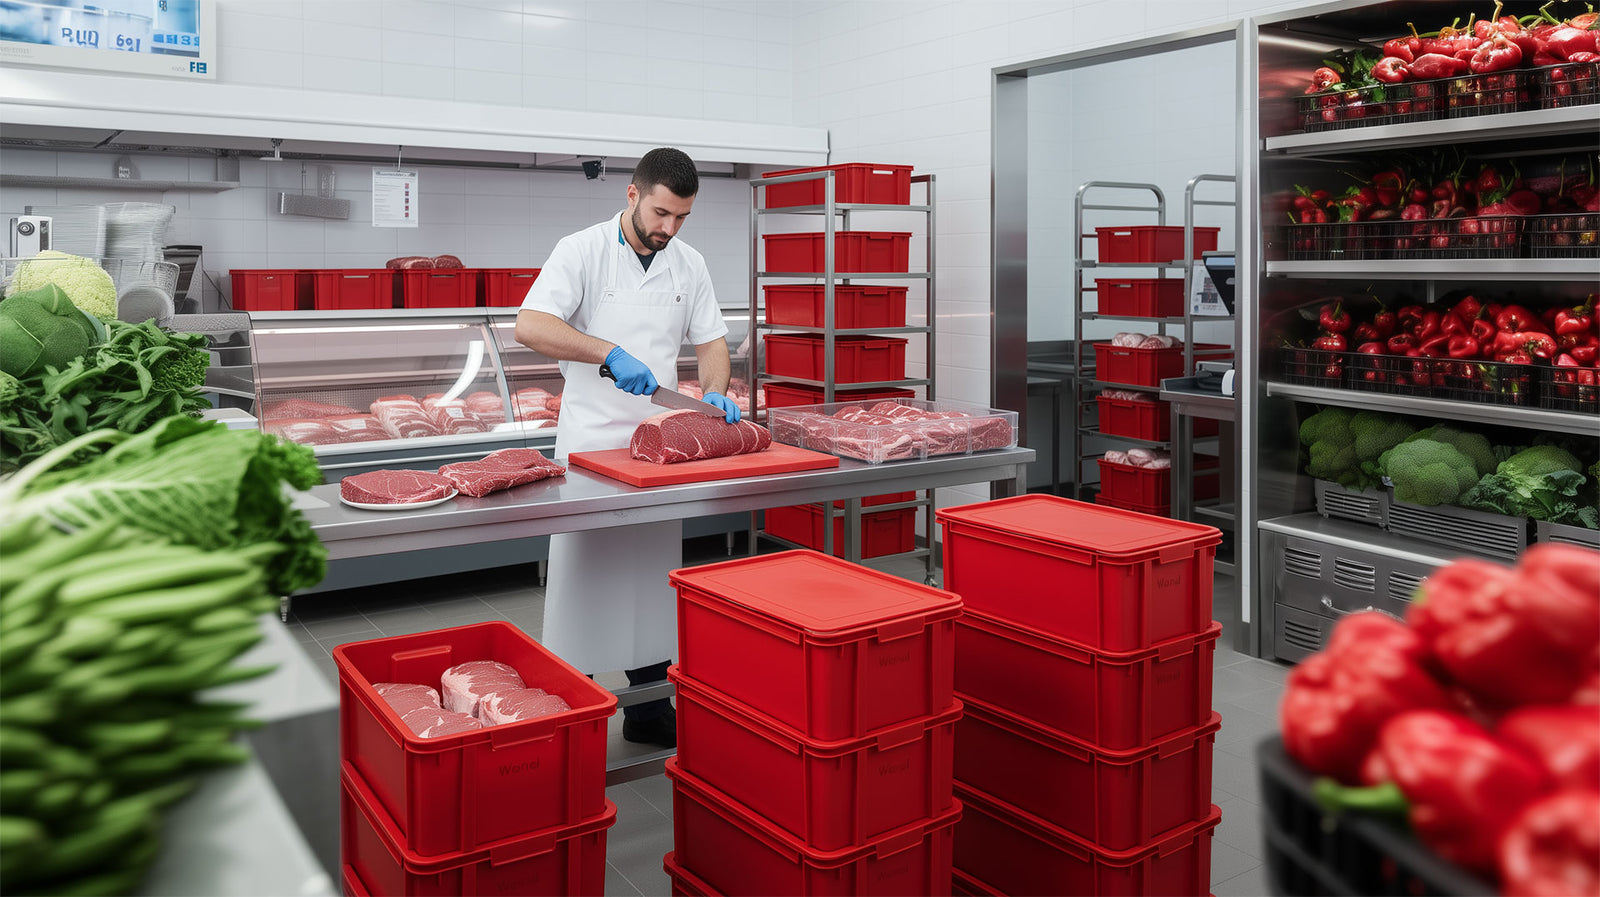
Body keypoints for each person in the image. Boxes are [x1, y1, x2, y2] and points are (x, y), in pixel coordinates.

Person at [514, 147, 740, 748]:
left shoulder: (687, 263)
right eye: (662, 213)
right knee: (584, 580)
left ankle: (647, 709)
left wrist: (714, 394)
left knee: (651, 574)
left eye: (682, 218)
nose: (669, 229)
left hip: (660, 446)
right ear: (633, 195)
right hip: (590, 445)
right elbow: (530, 324)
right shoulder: (581, 250)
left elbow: (713, 340)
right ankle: (573, 712)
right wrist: (605, 352)